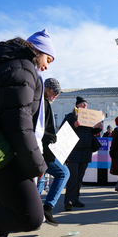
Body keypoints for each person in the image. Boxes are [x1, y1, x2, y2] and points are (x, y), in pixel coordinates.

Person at [0, 30, 55, 237]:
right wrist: (37, 166)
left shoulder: (2, 62)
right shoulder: (22, 68)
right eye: (47, 59)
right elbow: (19, 124)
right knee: (30, 217)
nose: (47, 66)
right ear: (37, 51)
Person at [36, 78, 70, 226]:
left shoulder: (42, 103)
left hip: (42, 149)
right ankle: (46, 208)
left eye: (57, 93)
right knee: (63, 173)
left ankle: (34, 211)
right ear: (46, 88)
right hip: (42, 150)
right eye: (54, 92)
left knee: (39, 182)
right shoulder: (41, 103)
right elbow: (38, 129)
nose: (55, 95)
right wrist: (51, 136)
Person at [61, 96, 102, 211]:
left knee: (79, 178)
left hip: (86, 151)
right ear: (77, 105)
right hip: (74, 151)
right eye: (83, 104)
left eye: (86, 104)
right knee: (72, 177)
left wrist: (98, 129)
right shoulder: (71, 116)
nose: (85, 106)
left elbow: (90, 132)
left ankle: (76, 199)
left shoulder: (88, 118)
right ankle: (68, 200)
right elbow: (63, 130)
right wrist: (74, 126)